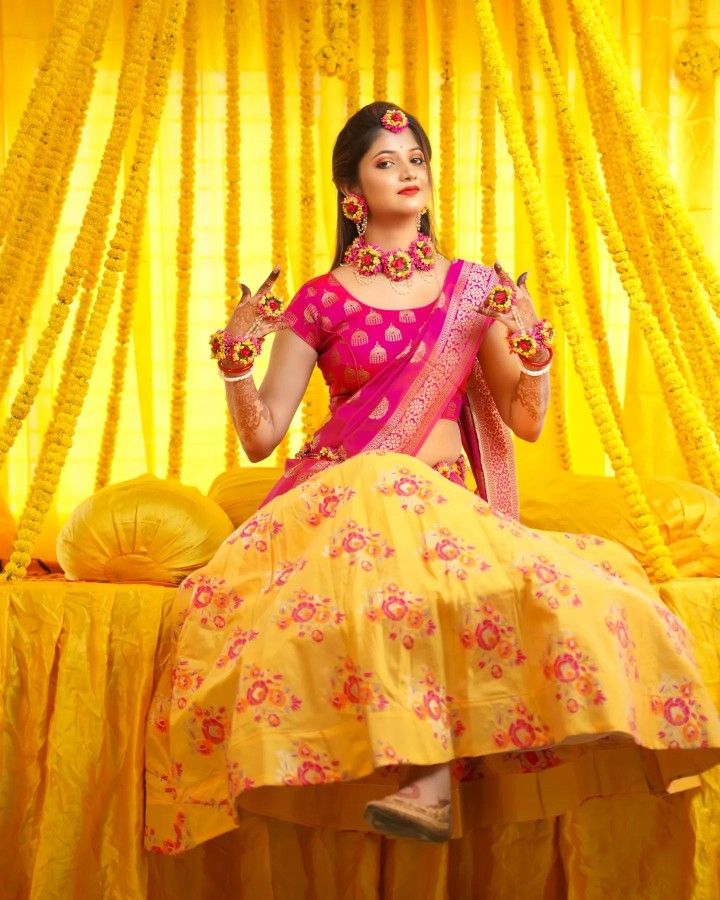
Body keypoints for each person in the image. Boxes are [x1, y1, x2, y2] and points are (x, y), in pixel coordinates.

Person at [144, 102, 720, 854]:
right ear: (353, 191)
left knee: (593, 584)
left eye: (415, 157)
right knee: (380, 515)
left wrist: (537, 356)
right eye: (386, 162)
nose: (407, 171)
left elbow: (526, 420)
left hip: (444, 508)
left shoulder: (475, 290)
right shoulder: (320, 298)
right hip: (348, 505)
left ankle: (441, 789)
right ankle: (392, 785)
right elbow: (262, 437)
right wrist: (234, 368)